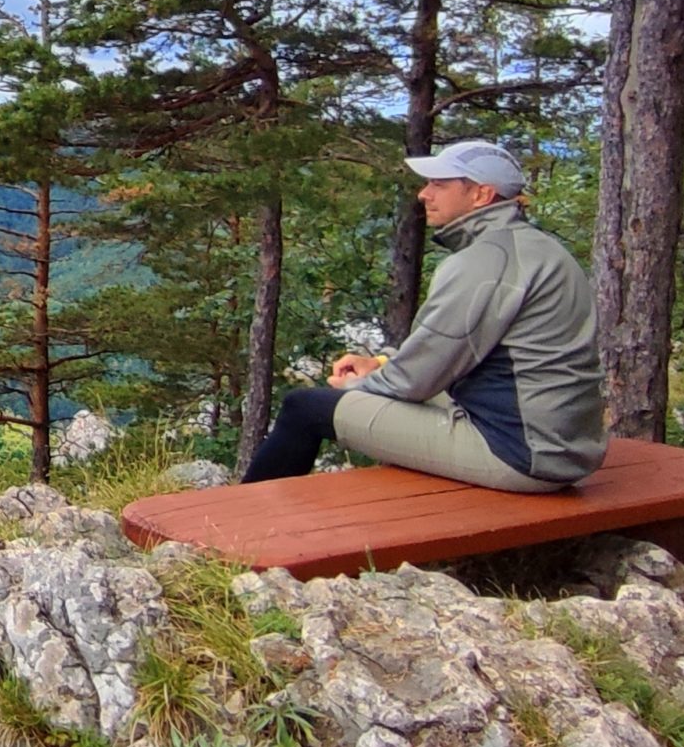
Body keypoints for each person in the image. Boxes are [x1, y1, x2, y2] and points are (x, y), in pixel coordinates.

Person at [240, 140, 608, 492]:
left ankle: (237, 533)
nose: (424, 194)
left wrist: (356, 389)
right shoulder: (538, 249)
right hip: (562, 444)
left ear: (481, 194)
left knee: (304, 409)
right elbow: (459, 357)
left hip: (519, 452)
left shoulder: (485, 261)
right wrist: (381, 364)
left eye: (439, 184)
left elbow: (415, 381)